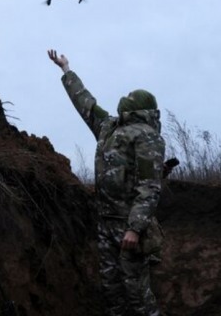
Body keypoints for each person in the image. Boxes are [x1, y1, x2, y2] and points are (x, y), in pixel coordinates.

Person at [48, 49, 165, 316]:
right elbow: (85, 103)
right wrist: (66, 70)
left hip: (129, 227)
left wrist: (135, 228)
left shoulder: (147, 137)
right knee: (112, 291)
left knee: (137, 292)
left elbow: (150, 187)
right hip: (106, 224)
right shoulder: (109, 128)